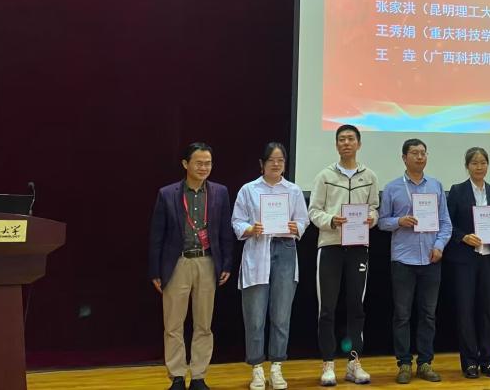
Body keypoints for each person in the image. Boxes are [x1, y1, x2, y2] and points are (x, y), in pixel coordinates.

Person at [148, 142, 234, 390]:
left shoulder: (220, 192)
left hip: (207, 262)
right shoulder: (167, 194)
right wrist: (155, 270)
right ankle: (176, 376)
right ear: (185, 164)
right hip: (177, 263)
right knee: (173, 324)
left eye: (208, 163)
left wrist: (227, 262)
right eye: (199, 163)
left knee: (204, 324)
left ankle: (198, 376)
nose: (204, 167)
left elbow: (225, 231)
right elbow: (156, 235)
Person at [231, 143, 309, 390]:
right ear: (262, 163)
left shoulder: (293, 190)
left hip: (285, 250)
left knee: (281, 316)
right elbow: (237, 221)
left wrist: (297, 227)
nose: (276, 164)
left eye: (281, 160)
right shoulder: (249, 190)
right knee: (254, 317)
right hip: (258, 250)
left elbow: (303, 219)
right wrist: (250, 228)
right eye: (272, 160)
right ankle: (256, 368)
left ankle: (276, 366)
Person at [308, 124, 380, 386]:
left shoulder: (369, 176)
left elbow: (374, 209)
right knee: (327, 308)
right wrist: (331, 221)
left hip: (358, 248)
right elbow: (314, 211)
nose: (346, 143)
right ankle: (328, 363)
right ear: (336, 145)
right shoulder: (324, 176)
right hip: (330, 247)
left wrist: (371, 219)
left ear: (359, 143)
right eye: (341, 139)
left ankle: (353, 363)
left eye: (350, 139)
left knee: (356, 307)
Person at [379, 138, 453, 384]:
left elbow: (445, 223)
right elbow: (382, 222)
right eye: (414, 153)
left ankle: (425, 363)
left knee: (428, 315)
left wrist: (439, 246)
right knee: (402, 315)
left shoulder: (436, 185)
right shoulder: (392, 188)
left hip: (431, 259)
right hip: (403, 259)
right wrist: (399, 221)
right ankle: (403, 364)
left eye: (423, 153)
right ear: (404, 158)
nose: (420, 157)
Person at [445, 147, 490, 379]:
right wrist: (463, 237)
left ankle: (489, 361)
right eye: (474, 163)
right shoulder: (457, 191)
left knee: (489, 312)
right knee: (466, 311)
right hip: (465, 260)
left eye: (483, 163)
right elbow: (448, 224)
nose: (479, 167)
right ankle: (469, 362)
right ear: (467, 166)